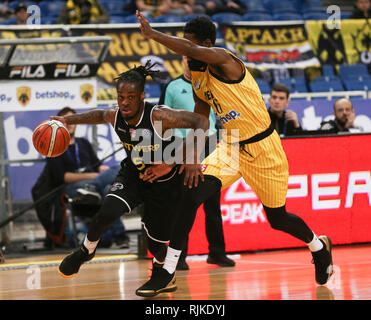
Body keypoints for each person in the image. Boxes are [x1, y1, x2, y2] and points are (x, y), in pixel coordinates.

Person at [135, 12, 334, 297]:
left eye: (190, 44)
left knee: (277, 219)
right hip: (230, 144)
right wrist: (192, 157)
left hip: (264, 147)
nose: (186, 53)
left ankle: (318, 246)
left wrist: (153, 34)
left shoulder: (226, 60)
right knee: (190, 194)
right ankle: (166, 271)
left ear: (206, 44)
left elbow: (190, 50)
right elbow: (201, 118)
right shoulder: (199, 78)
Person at [54, 62, 209, 285]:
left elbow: (201, 122)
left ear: (142, 96)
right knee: (105, 213)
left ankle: (165, 272)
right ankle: (86, 250)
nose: (124, 102)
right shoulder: (116, 116)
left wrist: (173, 162)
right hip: (134, 174)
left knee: (156, 245)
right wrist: (68, 120)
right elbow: (99, 115)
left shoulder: (159, 116)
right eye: (120, 97)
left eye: (130, 97)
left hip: (165, 181)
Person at [159, 55, 235, 270]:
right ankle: (179, 257)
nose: (190, 62)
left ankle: (217, 253)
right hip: (184, 148)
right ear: (182, 59)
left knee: (213, 205)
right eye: (187, 58)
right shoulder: (172, 87)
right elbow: (162, 121)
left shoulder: (208, 84)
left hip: (210, 146)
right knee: (184, 204)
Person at [47, 107, 129, 248]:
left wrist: (102, 170)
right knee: (106, 188)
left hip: (93, 185)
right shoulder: (54, 147)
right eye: (66, 121)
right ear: (60, 124)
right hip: (73, 188)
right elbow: (64, 177)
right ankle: (119, 235)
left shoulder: (83, 143)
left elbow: (97, 166)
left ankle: (119, 236)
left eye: (72, 120)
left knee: (116, 173)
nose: (70, 124)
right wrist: (94, 176)